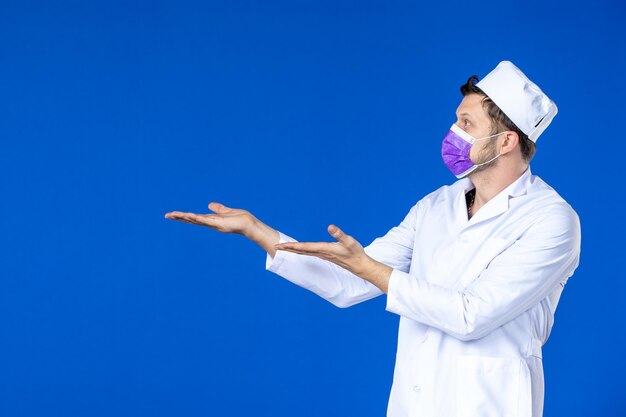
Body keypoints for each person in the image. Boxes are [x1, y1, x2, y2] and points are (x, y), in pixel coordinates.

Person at [165, 60, 581, 417]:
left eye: (467, 123)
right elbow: (348, 282)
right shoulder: (437, 205)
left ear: (506, 141)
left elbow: (470, 316)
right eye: (456, 119)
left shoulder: (551, 220)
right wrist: (258, 231)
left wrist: (369, 268)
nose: (454, 132)